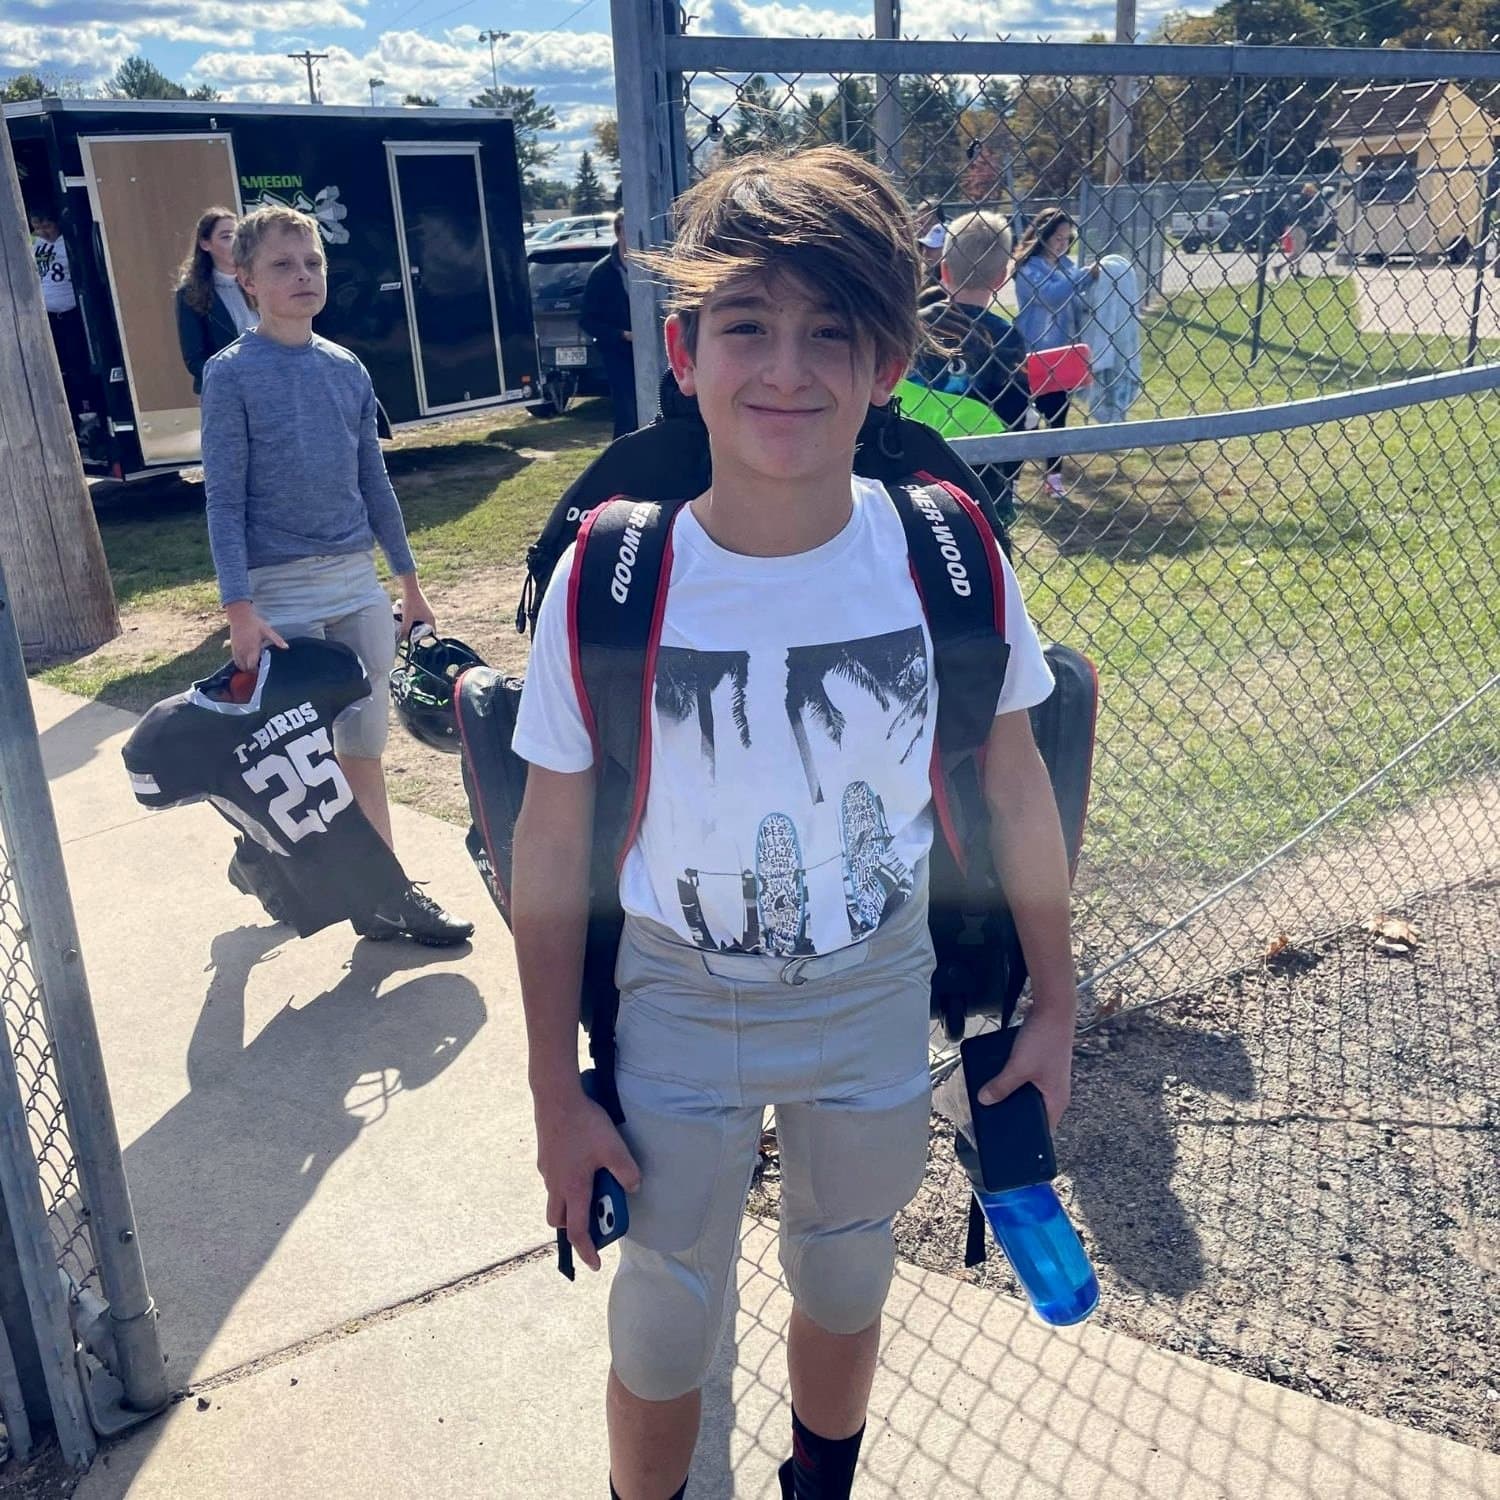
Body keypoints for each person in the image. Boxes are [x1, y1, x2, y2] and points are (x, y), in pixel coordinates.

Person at [510, 147, 1076, 1500]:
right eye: (748, 325)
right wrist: (550, 1089)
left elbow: (1013, 784)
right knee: (663, 1305)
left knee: (845, 1262)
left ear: (889, 363)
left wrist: (1057, 1000)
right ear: (683, 350)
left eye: (836, 331)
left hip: (874, 980)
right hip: (677, 996)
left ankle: (819, 1480)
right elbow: (546, 850)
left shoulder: (944, 550)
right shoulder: (613, 573)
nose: (789, 367)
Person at [199, 203, 472, 947]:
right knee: (296, 760)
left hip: (355, 580)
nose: (303, 277)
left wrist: (408, 584)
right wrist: (239, 608)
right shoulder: (230, 375)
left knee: (362, 743)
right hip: (278, 587)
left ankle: (386, 896)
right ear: (246, 280)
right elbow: (223, 498)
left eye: (313, 263)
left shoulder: (345, 367)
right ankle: (259, 853)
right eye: (283, 266)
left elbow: (374, 483)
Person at [910, 209, 1031, 525]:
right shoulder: (1005, 338)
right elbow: (1016, 410)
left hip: (914, 466)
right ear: (1001, 277)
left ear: (944, 270)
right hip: (984, 475)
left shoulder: (915, 326)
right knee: (987, 550)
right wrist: (1011, 472)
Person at [1011, 209, 1099, 500]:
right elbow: (1051, 295)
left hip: (1062, 355)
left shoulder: (1067, 266)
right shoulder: (1028, 268)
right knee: (1021, 421)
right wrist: (1086, 276)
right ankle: (1012, 480)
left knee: (1058, 418)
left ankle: (1054, 478)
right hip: (1031, 354)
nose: (1062, 244)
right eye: (1057, 237)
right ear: (1043, 236)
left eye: (1067, 238)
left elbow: (1074, 302)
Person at [176, 206, 255, 393]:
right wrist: (232, 379)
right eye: (226, 237)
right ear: (205, 244)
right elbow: (194, 359)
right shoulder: (190, 293)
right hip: (227, 392)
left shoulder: (258, 282)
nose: (235, 242)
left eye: (239, 235)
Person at [30, 205, 94, 431]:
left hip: (70, 312)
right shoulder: (34, 243)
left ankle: (88, 415)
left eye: (46, 226)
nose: (42, 232)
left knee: (77, 365)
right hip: (46, 315)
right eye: (37, 227)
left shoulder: (66, 244)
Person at [581, 209, 638, 440]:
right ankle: (623, 466)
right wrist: (621, 335)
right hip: (619, 355)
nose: (633, 235)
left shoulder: (651, 266)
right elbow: (587, 320)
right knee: (628, 414)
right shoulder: (602, 273)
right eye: (628, 230)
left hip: (654, 352)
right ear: (618, 233)